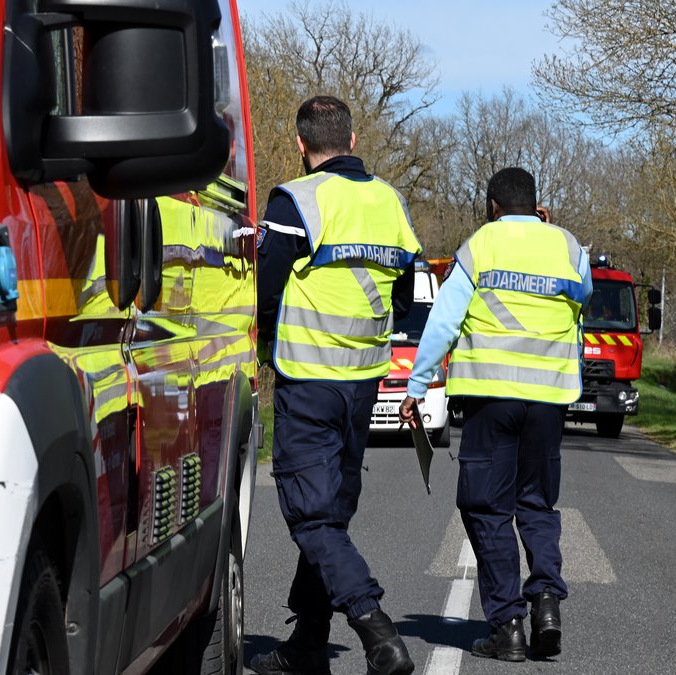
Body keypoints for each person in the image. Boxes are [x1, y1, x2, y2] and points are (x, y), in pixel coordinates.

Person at [251, 95, 422, 675]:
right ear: (351, 140)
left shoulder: (296, 198)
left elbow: (264, 290)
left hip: (308, 382)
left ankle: (377, 631)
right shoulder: (390, 201)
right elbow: (406, 292)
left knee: (312, 517)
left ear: (301, 146)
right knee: (331, 513)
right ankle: (306, 649)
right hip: (363, 383)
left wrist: (263, 348)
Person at [399, 167, 590, 661]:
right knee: (537, 504)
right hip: (549, 399)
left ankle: (507, 625)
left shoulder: (479, 246)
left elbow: (443, 320)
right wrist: (552, 232)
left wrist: (417, 386)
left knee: (485, 506)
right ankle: (546, 600)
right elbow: (582, 295)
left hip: (490, 398)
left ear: (492, 206)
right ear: (537, 204)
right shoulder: (568, 247)